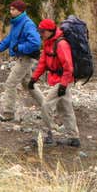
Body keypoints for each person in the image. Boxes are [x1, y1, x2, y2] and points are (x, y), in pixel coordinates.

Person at [28, 19, 80, 147]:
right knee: (66, 109)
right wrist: (34, 78)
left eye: (42, 31)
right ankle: (74, 138)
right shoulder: (47, 43)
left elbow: (68, 66)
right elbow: (43, 63)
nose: (41, 34)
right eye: (39, 31)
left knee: (46, 105)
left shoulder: (61, 44)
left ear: (50, 31)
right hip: (58, 80)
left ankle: (49, 134)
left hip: (63, 80)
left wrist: (63, 85)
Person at [0, 0, 41, 122]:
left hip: (25, 59)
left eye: (13, 9)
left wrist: (20, 48)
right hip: (22, 58)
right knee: (28, 84)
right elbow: (10, 39)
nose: (11, 11)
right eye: (11, 9)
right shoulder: (17, 23)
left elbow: (36, 42)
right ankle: (47, 106)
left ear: (20, 11)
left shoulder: (27, 24)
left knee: (10, 83)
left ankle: (8, 113)